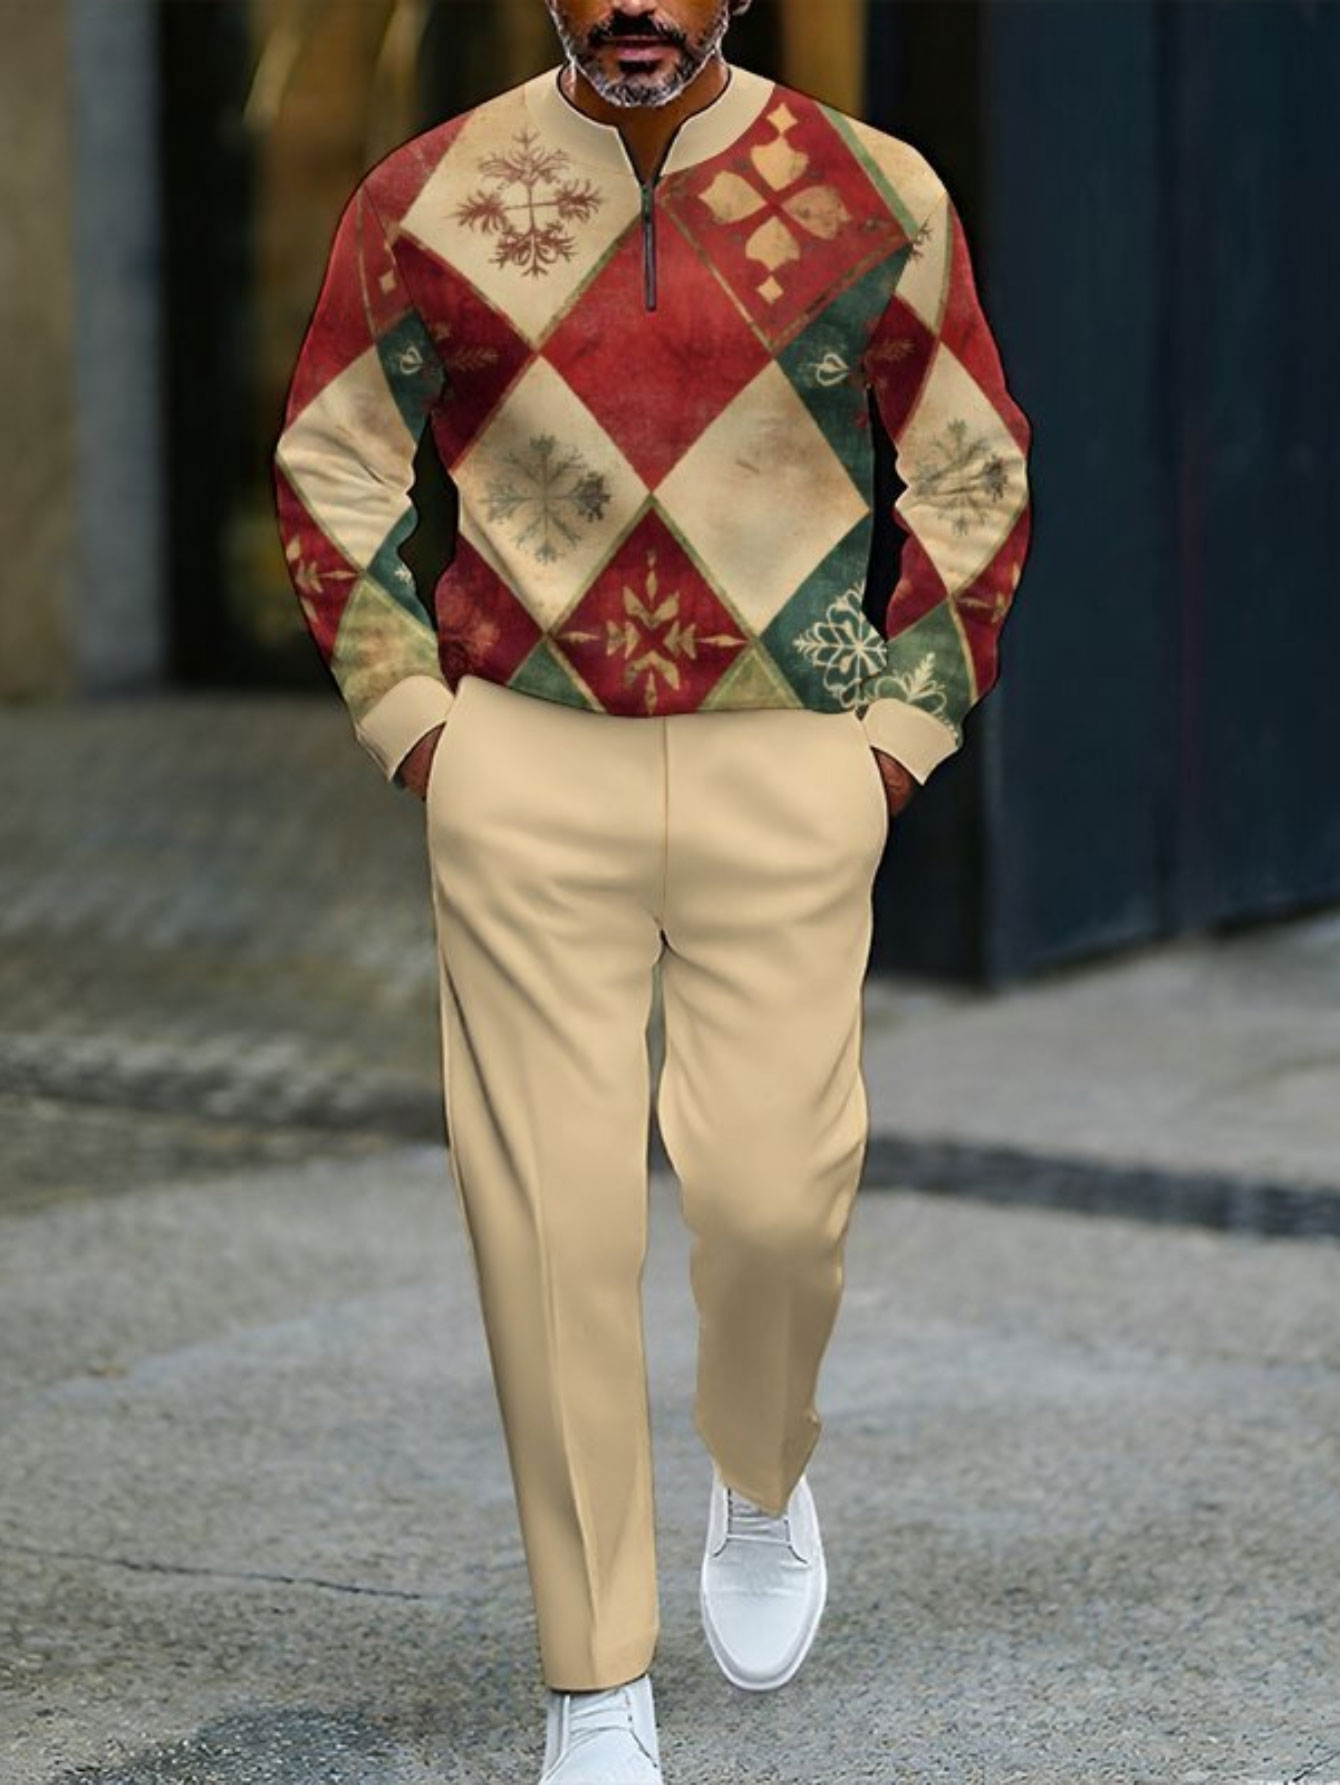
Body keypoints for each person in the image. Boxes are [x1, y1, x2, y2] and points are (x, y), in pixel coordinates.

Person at [273, 1, 1032, 1776]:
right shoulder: (427, 192)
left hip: (792, 768)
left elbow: (972, 469)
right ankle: (593, 1677)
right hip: (523, 768)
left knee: (775, 1202)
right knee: (549, 1228)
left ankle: (762, 1472)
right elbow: (333, 456)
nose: (635, 1)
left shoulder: (874, 189)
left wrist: (896, 735)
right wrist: (416, 722)